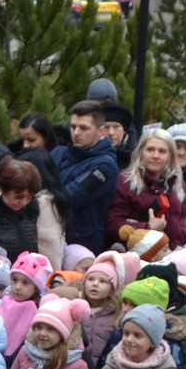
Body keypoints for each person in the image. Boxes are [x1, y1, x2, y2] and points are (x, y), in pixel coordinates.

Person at [104, 128, 186, 249]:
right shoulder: (125, 182)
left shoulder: (177, 184)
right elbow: (113, 224)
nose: (155, 156)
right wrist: (148, 228)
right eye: (150, 150)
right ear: (141, 152)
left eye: (162, 151)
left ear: (170, 156)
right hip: (136, 256)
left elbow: (181, 220)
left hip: (172, 255)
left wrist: (179, 242)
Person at [54, 100, 119, 254]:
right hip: (52, 237)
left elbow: (70, 196)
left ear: (101, 131)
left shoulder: (105, 166)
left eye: (84, 128)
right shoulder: (59, 152)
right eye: (73, 127)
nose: (76, 133)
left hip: (82, 245)